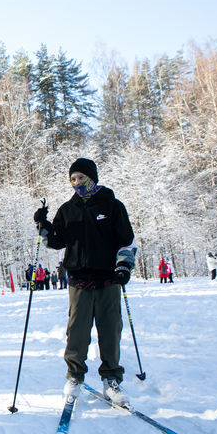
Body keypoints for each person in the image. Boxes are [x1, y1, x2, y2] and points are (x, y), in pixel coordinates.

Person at [34, 158, 136, 405]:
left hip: (108, 279)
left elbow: (126, 241)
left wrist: (124, 265)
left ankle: (111, 379)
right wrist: (43, 225)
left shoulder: (113, 206)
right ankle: (75, 377)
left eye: (81, 177)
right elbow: (57, 241)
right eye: (73, 179)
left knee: (110, 330)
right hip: (79, 280)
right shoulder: (68, 210)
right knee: (77, 332)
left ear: (93, 178)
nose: (77, 183)